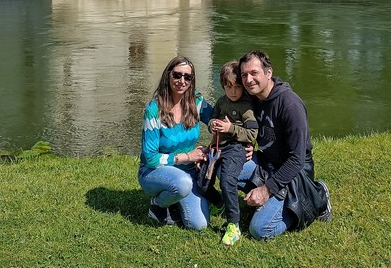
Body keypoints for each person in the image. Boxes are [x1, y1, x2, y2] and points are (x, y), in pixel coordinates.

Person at [237, 50, 331, 240]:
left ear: (268, 73)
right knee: (228, 167)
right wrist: (246, 143)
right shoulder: (254, 99)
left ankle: (317, 198)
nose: (248, 79)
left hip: (295, 175)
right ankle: (269, 200)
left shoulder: (290, 105)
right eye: (244, 75)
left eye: (254, 73)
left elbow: (297, 160)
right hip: (267, 163)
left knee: (259, 230)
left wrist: (266, 190)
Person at [138, 56, 212, 230]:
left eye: (188, 77)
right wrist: (188, 156)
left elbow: (217, 123)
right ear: (168, 76)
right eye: (177, 75)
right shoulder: (153, 110)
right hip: (153, 172)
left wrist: (214, 146)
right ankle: (158, 204)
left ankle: (176, 200)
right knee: (182, 183)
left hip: (187, 172)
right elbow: (150, 158)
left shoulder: (197, 101)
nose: (182, 81)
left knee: (199, 225)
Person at [206, 61, 258, 246]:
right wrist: (213, 123)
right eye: (229, 86)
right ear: (223, 86)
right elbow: (213, 117)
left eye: (237, 86)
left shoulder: (246, 106)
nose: (233, 91)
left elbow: (252, 133)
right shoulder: (221, 101)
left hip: (237, 148)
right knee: (204, 177)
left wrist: (230, 127)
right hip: (218, 145)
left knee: (228, 179)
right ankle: (219, 202)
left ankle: (233, 225)